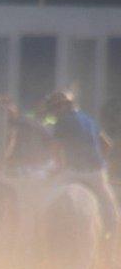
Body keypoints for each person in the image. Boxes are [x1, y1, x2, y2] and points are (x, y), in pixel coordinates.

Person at [43, 90, 119, 240]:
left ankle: (42, 232)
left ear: (63, 106)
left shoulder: (62, 122)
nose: (55, 111)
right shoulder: (89, 120)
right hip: (96, 173)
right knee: (111, 208)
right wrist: (99, 161)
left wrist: (58, 166)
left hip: (72, 172)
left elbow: (55, 147)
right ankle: (113, 237)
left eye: (55, 107)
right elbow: (107, 145)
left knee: (47, 200)